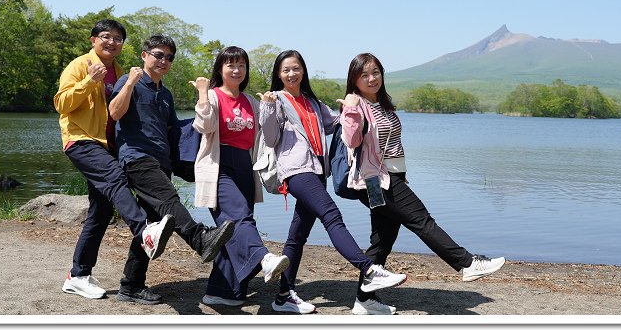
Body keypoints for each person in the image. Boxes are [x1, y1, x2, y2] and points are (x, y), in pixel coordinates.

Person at [339, 53, 506, 315]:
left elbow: (393, 145)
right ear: (354, 80)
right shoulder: (355, 105)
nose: (371, 79)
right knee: (422, 221)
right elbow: (350, 140)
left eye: (375, 72)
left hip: (391, 177)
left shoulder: (383, 104)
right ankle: (467, 263)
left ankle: (364, 300)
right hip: (374, 180)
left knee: (382, 241)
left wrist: (403, 174)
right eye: (364, 75)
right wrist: (349, 109)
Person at [259, 50, 407, 315]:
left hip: (317, 171)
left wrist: (351, 110)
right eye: (286, 70)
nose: (291, 74)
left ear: (303, 71)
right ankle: (368, 269)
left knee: (297, 236)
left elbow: (334, 124)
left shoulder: (311, 102)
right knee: (331, 215)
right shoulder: (276, 100)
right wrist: (268, 108)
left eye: (296, 68)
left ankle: (283, 296)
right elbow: (270, 139)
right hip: (295, 171)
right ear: (278, 74)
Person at [54, 19, 176, 303]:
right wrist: (89, 81)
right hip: (81, 139)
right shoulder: (80, 65)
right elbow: (61, 104)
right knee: (115, 178)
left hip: (108, 144)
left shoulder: (120, 72)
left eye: (118, 38)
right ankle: (143, 230)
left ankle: (78, 276)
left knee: (100, 212)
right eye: (106, 37)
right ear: (93, 40)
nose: (112, 42)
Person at [109, 34, 235, 305]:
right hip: (136, 158)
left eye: (168, 57)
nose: (163, 60)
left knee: (152, 224)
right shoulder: (128, 82)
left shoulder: (165, 94)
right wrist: (130, 82)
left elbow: (173, 131)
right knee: (169, 202)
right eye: (157, 54)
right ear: (144, 55)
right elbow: (115, 113)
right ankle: (200, 238)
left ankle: (130, 286)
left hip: (160, 161)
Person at [189, 46, 290, 308]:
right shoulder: (212, 95)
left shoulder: (250, 101)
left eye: (242, 65)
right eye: (231, 65)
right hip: (218, 164)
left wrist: (268, 108)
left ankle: (223, 291)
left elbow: (267, 136)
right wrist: (202, 92)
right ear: (220, 68)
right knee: (239, 219)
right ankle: (263, 259)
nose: (236, 70)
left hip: (245, 166)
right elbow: (205, 126)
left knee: (230, 230)